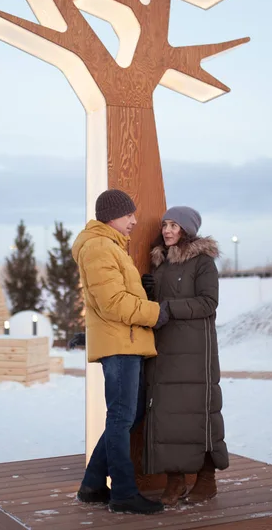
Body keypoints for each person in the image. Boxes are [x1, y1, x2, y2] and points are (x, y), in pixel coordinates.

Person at [72, 188, 169, 515]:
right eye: (129, 215)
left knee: (129, 414)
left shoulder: (111, 247)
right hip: (119, 344)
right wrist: (155, 313)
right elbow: (112, 303)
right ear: (112, 215)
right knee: (122, 416)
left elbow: (118, 294)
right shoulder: (99, 247)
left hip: (125, 341)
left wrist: (144, 291)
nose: (134, 220)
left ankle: (93, 484)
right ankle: (124, 492)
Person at [141, 206, 228, 506]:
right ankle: (175, 482)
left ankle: (207, 478)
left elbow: (208, 302)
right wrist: (149, 293)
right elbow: (157, 307)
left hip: (195, 353)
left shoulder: (203, 263)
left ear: (187, 230)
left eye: (174, 225)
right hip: (164, 351)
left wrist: (168, 308)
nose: (167, 230)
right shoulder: (161, 263)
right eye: (165, 224)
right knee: (166, 418)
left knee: (197, 416)